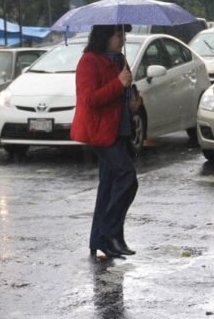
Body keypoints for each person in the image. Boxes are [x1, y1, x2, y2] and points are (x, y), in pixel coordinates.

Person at [71, 24, 143, 258]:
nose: (122, 39)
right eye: (118, 35)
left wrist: (132, 105)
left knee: (109, 186)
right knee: (128, 178)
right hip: (99, 132)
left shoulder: (120, 59)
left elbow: (123, 93)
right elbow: (89, 99)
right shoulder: (89, 61)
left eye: (123, 34)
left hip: (120, 129)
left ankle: (103, 239)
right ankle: (109, 233)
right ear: (105, 36)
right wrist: (118, 83)